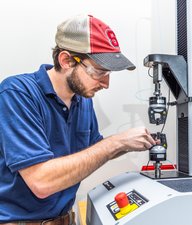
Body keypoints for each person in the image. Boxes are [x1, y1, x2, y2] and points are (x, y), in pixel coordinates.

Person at [0, 15, 157, 224]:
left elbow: (92, 152)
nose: (106, 83)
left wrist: (129, 143)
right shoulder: (18, 94)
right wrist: (115, 143)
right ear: (66, 60)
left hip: (65, 219)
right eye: (99, 72)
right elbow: (41, 182)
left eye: (109, 73)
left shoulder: (83, 101)